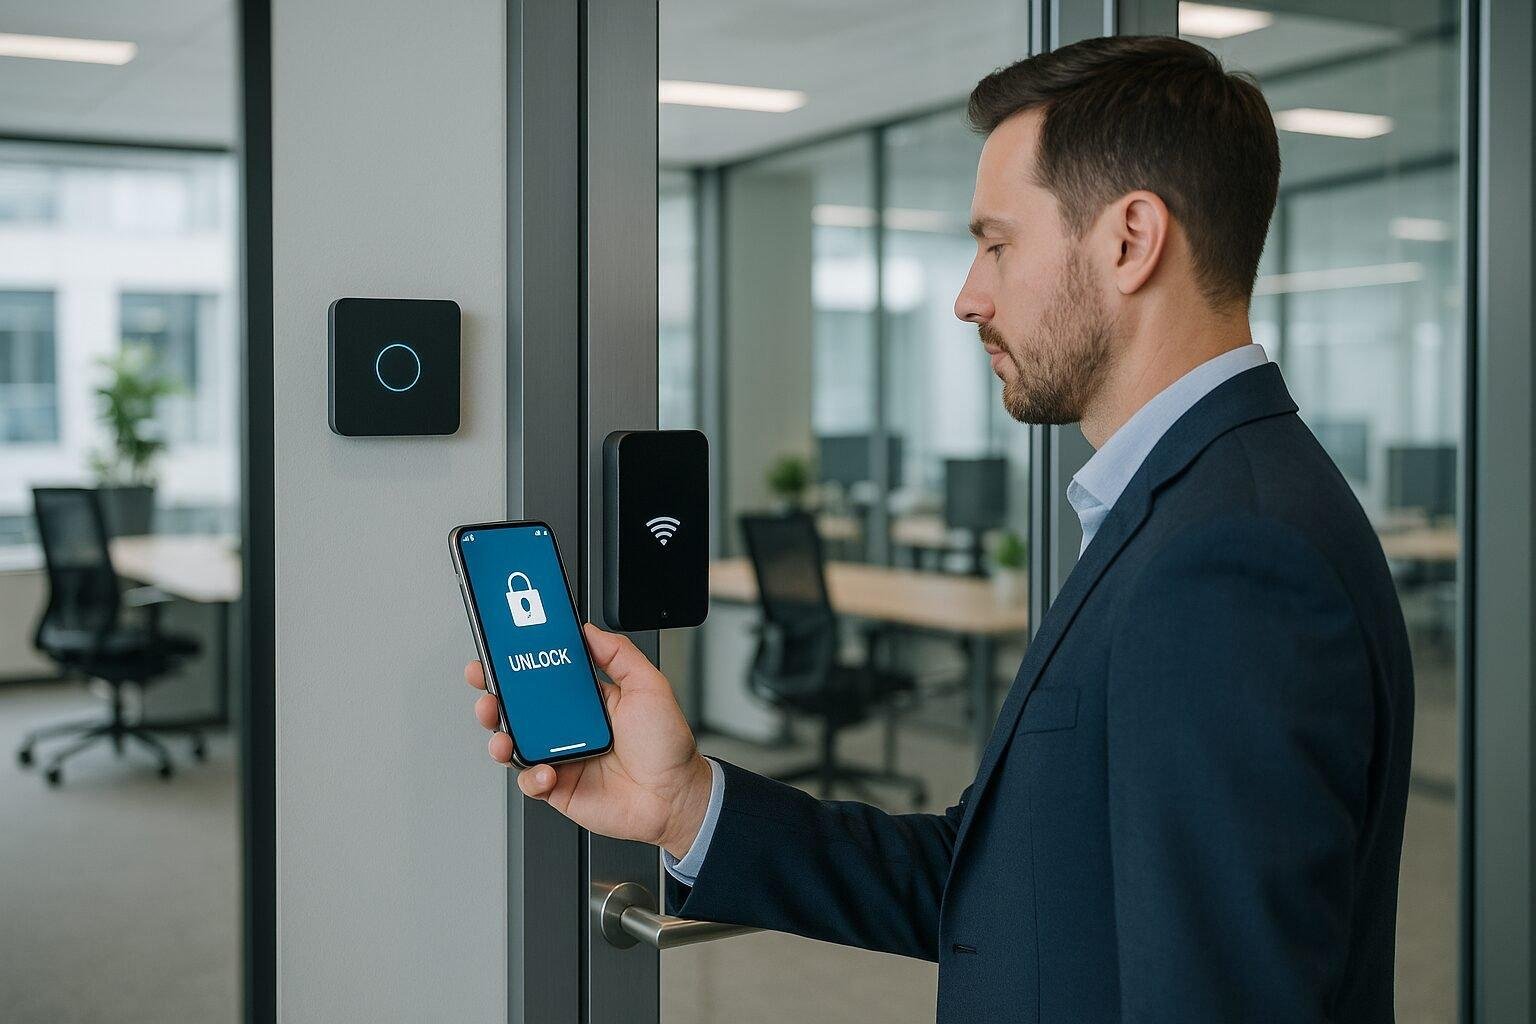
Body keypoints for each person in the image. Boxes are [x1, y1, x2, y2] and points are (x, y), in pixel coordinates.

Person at [463, 35, 1413, 1022]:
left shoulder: (1231, 557)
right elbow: (1004, 882)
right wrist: (684, 801)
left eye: (997, 243)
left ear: (1132, 239)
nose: (969, 295)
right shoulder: (1190, 506)